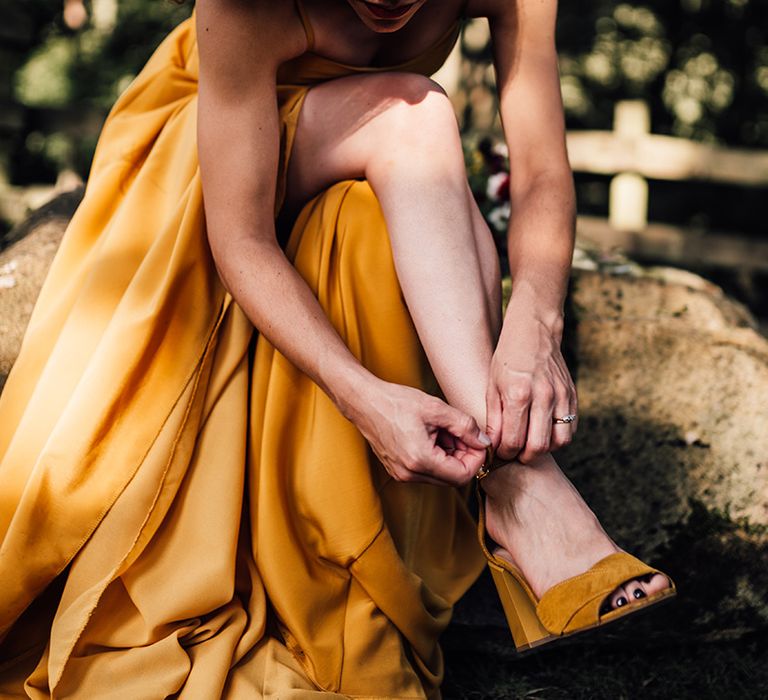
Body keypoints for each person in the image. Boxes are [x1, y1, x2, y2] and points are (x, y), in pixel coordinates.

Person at [0, 0, 674, 696]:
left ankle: (491, 494)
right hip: (211, 150)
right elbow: (242, 240)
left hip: (368, 149)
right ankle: (518, 483)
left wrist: (536, 318)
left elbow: (538, 173)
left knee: (370, 214)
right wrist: (362, 395)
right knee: (416, 117)